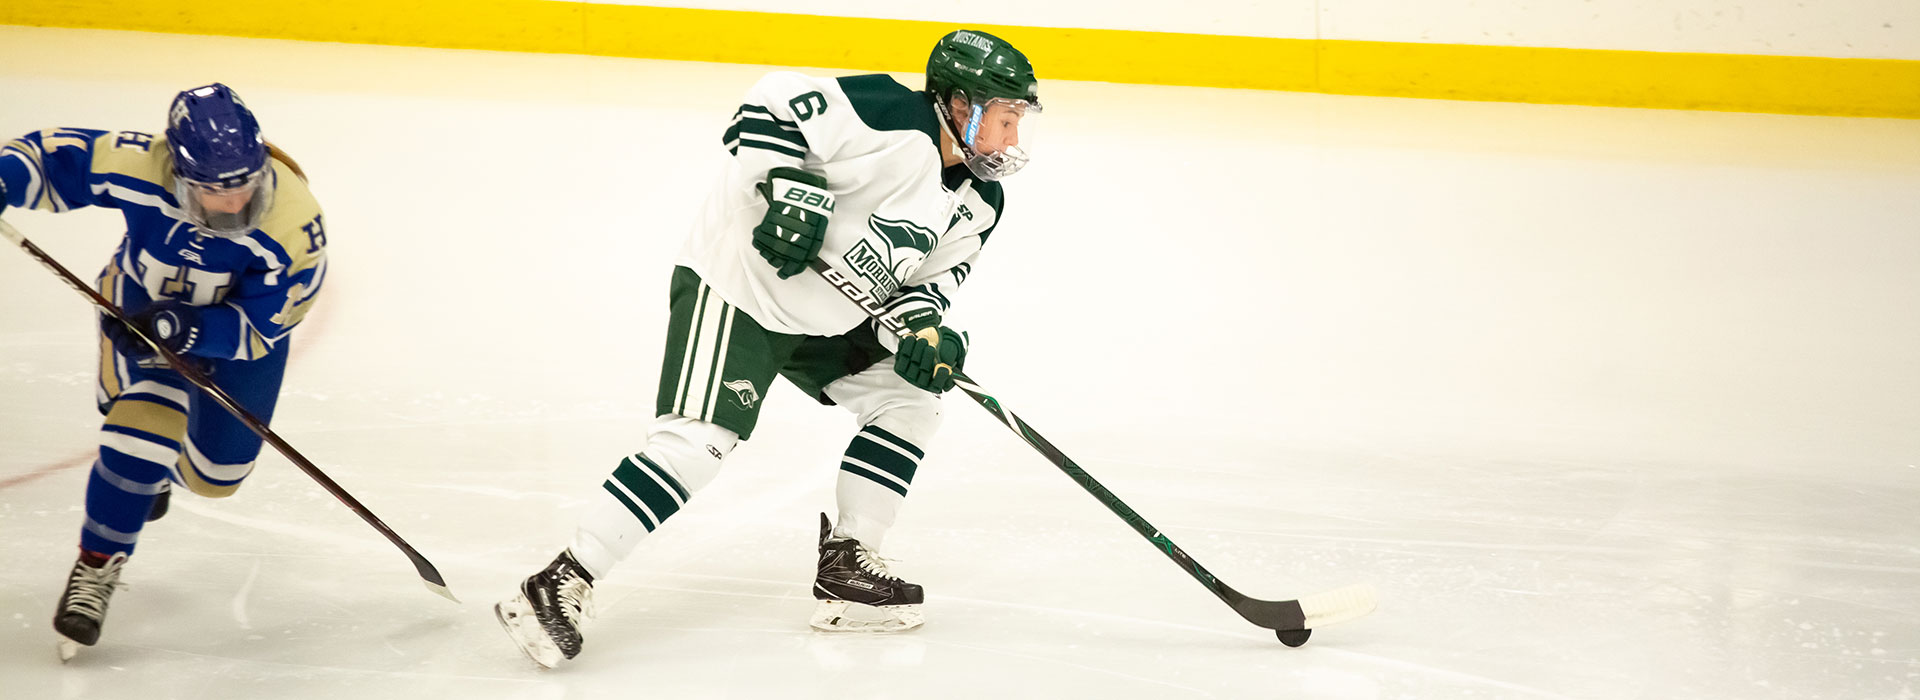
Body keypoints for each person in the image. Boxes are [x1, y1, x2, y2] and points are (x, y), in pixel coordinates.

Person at [494, 29, 1041, 667]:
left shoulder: (982, 203)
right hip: (744, 286)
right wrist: (789, 186)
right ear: (959, 105)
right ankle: (562, 580)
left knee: (911, 401)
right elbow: (773, 102)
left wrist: (925, 336)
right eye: (1005, 122)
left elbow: (923, 289)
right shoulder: (889, 116)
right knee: (699, 443)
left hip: (832, 317)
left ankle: (848, 560)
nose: (1012, 142)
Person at [0, 83, 328, 658]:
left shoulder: (293, 225)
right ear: (179, 171)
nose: (233, 203)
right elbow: (54, 159)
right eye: (212, 190)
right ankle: (97, 563)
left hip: (238, 345)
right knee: (136, 432)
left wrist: (191, 330)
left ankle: (150, 473)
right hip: (137, 313)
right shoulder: (141, 164)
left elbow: (266, 323)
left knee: (215, 477)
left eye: (244, 186)